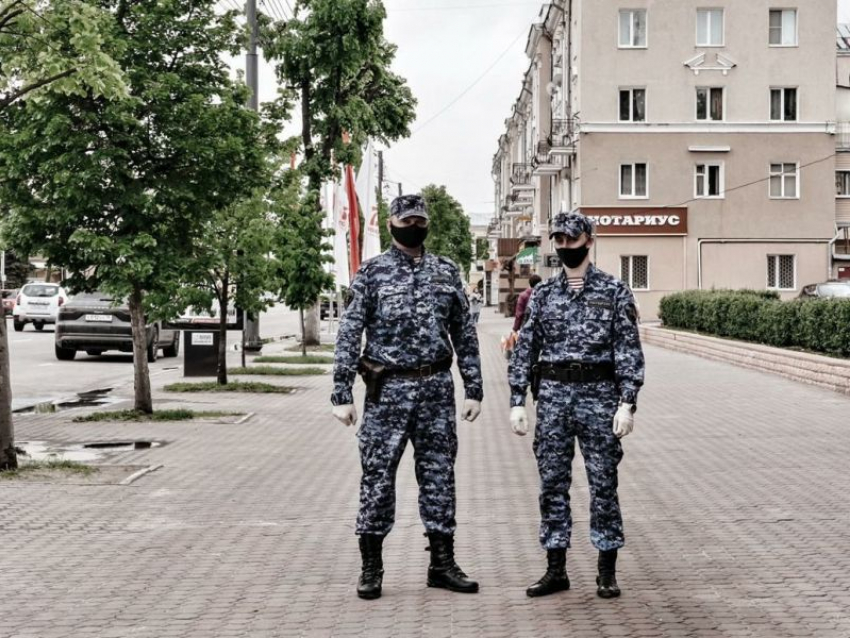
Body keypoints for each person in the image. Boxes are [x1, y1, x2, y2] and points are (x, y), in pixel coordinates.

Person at [331, 194, 484, 600]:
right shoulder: (373, 273)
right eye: (406, 219)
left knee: (439, 477)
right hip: (388, 392)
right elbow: (350, 332)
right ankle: (371, 567)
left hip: (436, 388)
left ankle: (442, 563)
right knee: (377, 478)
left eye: (419, 219)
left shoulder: (446, 271)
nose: (413, 225)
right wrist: (341, 392)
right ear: (394, 223)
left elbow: (464, 333)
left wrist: (474, 387)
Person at [507, 211, 645, 600]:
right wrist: (517, 399)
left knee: (603, 483)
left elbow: (628, 352)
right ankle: (556, 569)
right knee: (552, 483)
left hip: (599, 397)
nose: (566, 246)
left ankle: (606, 569)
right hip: (552, 397)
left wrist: (627, 402)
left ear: (589, 240)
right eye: (560, 240)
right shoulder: (543, 295)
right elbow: (525, 349)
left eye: (572, 239)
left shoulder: (614, 291)